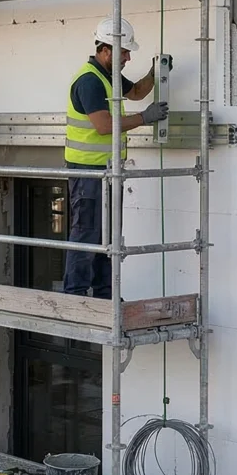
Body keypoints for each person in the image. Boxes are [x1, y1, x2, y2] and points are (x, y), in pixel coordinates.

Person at [62, 18, 169, 298]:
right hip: (88, 173)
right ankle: (74, 296)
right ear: (106, 49)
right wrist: (145, 117)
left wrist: (156, 71)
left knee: (107, 236)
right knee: (86, 234)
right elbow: (104, 125)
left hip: (107, 172)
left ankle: (104, 295)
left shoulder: (108, 76)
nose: (128, 58)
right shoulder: (90, 81)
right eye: (124, 52)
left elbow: (136, 92)